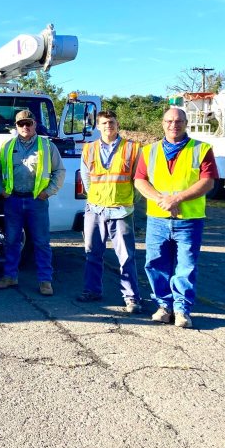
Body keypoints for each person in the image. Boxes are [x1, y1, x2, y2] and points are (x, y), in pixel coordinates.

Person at [134, 107, 218, 328]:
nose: (174, 124)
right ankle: (164, 306)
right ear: (163, 123)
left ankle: (181, 310)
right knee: (155, 264)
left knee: (186, 266)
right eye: (169, 121)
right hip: (157, 219)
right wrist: (162, 199)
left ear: (186, 122)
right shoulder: (149, 151)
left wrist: (177, 199)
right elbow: (140, 180)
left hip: (189, 220)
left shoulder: (202, 149)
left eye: (179, 120)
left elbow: (208, 181)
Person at [0, 109, 66, 296]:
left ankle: (45, 281)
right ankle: (10, 276)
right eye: (20, 124)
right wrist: (0, 190)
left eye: (28, 123)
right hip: (13, 200)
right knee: (12, 241)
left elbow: (59, 171)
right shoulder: (7, 146)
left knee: (41, 242)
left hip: (36, 202)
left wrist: (48, 192)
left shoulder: (47, 146)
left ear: (35, 124)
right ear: (16, 126)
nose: (25, 127)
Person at [77, 111, 142, 313]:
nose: (108, 126)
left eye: (111, 122)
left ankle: (131, 298)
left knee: (126, 257)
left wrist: (130, 201)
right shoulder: (89, 149)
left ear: (117, 124)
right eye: (104, 123)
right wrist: (96, 198)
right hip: (95, 209)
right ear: (98, 126)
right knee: (92, 253)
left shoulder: (132, 148)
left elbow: (139, 180)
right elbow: (86, 178)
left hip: (121, 210)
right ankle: (92, 290)